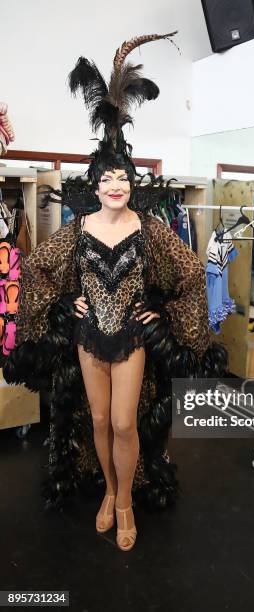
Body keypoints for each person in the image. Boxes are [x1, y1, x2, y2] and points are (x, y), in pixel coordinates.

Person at [4, 34, 227, 552]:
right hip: (87, 337)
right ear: (95, 184)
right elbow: (36, 270)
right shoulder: (77, 229)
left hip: (130, 337)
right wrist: (63, 306)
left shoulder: (150, 228)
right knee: (99, 420)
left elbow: (191, 275)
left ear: (131, 181)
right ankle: (108, 491)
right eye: (105, 178)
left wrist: (166, 315)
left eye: (122, 176)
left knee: (126, 423)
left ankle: (125, 501)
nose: (114, 184)